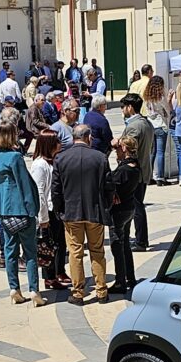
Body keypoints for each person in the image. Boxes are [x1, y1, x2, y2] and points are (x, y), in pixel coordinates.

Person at [52, 124, 113, 305]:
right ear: (89, 137)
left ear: (73, 138)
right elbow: (109, 186)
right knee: (97, 251)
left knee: (75, 253)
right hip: (94, 212)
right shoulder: (100, 158)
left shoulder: (61, 158)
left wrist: (59, 210)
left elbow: (56, 190)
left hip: (71, 213)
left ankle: (78, 292)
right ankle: (101, 291)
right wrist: (105, 206)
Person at [0, 123, 46, 307]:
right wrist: (33, 210)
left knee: (10, 251)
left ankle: (14, 288)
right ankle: (34, 290)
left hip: (5, 210)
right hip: (21, 209)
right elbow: (24, 185)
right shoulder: (16, 157)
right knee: (30, 252)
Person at [31, 130, 69, 291]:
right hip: (48, 211)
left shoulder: (53, 161)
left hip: (56, 209)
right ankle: (49, 277)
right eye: (57, 141)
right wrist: (43, 217)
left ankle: (59, 271)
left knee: (60, 243)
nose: (60, 144)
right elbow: (39, 192)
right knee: (49, 245)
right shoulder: (40, 165)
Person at [117, 93, 154, 251]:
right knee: (138, 205)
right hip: (144, 169)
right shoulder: (146, 122)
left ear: (129, 107)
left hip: (135, 172)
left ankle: (141, 240)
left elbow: (130, 150)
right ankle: (141, 239)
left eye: (123, 107)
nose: (122, 110)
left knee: (137, 207)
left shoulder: (134, 126)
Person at [108, 136, 142, 294]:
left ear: (124, 149)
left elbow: (110, 183)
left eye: (118, 148)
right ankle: (130, 277)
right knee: (126, 244)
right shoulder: (136, 166)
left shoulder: (123, 170)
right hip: (130, 208)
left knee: (117, 245)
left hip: (119, 211)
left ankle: (120, 281)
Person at [143, 76, 173, 185]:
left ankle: (149, 176)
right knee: (160, 152)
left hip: (151, 124)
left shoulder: (147, 97)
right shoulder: (160, 97)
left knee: (152, 152)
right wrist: (169, 98)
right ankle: (160, 177)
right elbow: (168, 109)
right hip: (161, 125)